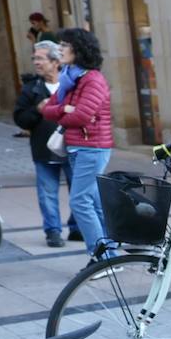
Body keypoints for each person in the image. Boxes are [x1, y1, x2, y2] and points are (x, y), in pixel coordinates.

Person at [40, 29, 113, 264]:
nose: (59, 49)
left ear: (78, 49)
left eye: (64, 45)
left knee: (79, 201)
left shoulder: (93, 79)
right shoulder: (69, 77)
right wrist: (64, 110)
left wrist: (63, 112)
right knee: (93, 202)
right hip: (77, 147)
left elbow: (80, 117)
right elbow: (46, 110)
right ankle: (110, 255)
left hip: (92, 148)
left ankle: (100, 257)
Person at [14, 40, 79, 248]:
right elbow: (20, 118)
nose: (36, 62)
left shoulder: (73, 83)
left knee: (78, 191)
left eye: (40, 58)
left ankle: (77, 228)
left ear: (55, 61)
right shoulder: (31, 88)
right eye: (34, 58)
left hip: (73, 147)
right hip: (44, 149)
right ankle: (53, 231)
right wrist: (37, 110)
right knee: (47, 193)